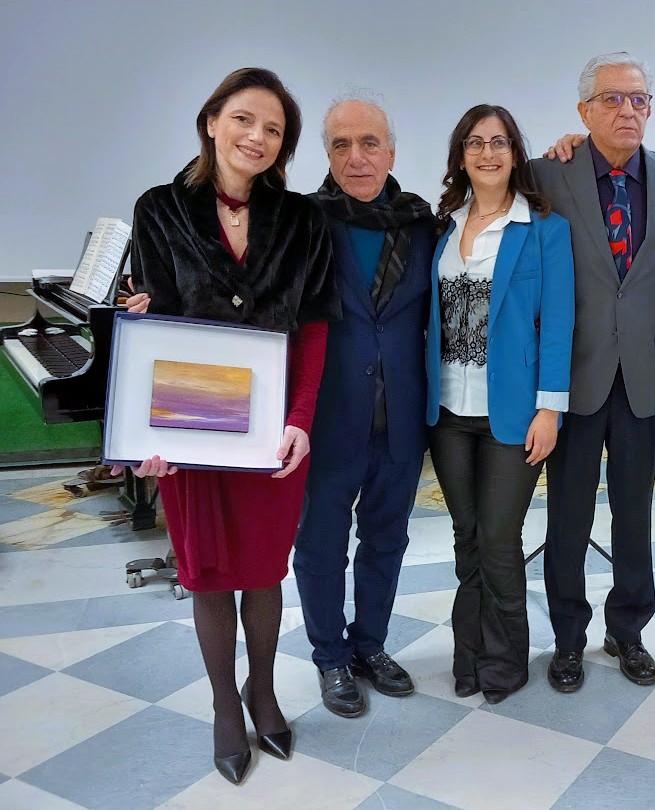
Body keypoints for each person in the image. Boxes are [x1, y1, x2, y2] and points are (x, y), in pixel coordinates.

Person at [122, 67, 339, 784]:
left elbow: (312, 328)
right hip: (190, 423)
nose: (257, 137)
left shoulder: (304, 218)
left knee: (264, 570)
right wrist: (147, 435)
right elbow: (153, 324)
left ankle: (263, 689)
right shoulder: (158, 209)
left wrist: (301, 419)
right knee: (209, 572)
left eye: (274, 129)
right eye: (244, 119)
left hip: (273, 427)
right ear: (212, 120)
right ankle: (224, 704)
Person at [530, 53, 655, 692]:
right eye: (613, 99)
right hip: (576, 373)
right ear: (584, 111)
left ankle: (628, 631)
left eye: (640, 99)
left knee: (634, 509)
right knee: (568, 512)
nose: (628, 110)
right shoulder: (549, 174)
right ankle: (568, 638)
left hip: (646, 372)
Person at [291, 93, 437, 718]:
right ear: (326, 155)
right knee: (321, 543)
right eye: (341, 145)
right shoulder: (300, 223)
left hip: (402, 416)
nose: (356, 157)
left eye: (369, 142)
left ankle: (370, 644)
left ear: (392, 152)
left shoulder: (423, 223)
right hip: (327, 417)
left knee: (388, 538)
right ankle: (330, 656)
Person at [426, 104, 574, 704]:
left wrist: (551, 408)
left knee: (499, 539)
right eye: (475, 143)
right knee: (466, 537)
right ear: (461, 155)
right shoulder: (443, 228)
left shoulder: (544, 228)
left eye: (500, 143)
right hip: (448, 414)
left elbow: (558, 323)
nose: (488, 153)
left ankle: (507, 655)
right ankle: (469, 653)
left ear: (515, 153)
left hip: (512, 415)